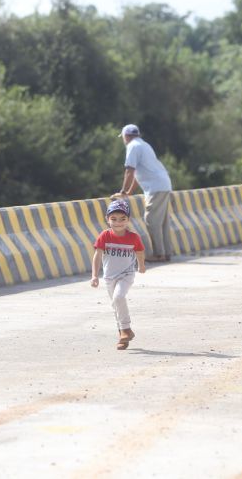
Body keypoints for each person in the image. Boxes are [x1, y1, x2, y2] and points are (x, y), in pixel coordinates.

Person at [111, 124, 173, 263]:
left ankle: (159, 254)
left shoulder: (132, 146)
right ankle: (166, 253)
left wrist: (122, 191)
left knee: (151, 219)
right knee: (162, 222)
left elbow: (129, 171)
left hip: (156, 187)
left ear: (126, 136)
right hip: (163, 184)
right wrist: (128, 192)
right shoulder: (144, 145)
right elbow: (137, 174)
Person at [90, 199, 147, 350]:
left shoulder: (133, 237)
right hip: (109, 277)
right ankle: (123, 337)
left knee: (118, 297)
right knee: (116, 306)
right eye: (113, 219)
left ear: (128, 219)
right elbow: (97, 255)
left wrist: (141, 265)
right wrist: (95, 275)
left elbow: (139, 251)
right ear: (107, 219)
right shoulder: (104, 236)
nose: (118, 223)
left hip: (126, 274)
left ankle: (126, 329)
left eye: (123, 219)